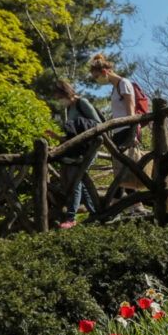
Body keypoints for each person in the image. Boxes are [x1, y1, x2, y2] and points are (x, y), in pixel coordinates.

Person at [89, 53, 147, 198]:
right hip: (118, 132)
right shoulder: (115, 88)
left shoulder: (124, 84)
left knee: (125, 169)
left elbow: (131, 111)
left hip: (127, 130)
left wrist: (133, 134)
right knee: (121, 169)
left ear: (104, 72)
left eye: (97, 77)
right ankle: (125, 204)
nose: (98, 81)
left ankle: (126, 204)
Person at [51, 78, 100, 227]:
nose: (59, 101)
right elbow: (74, 135)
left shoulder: (82, 103)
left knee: (76, 179)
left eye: (59, 97)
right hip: (77, 149)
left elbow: (98, 124)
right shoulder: (69, 109)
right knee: (79, 179)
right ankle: (95, 213)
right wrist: (58, 137)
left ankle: (71, 218)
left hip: (89, 148)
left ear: (65, 93)